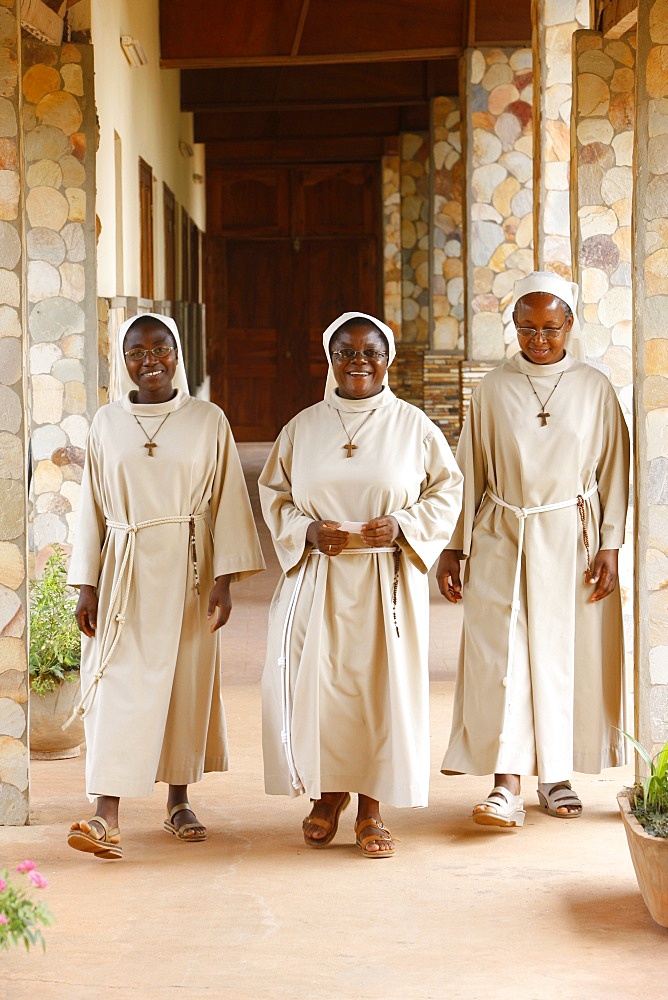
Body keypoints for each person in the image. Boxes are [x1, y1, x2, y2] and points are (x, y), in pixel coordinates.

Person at [259, 311, 463, 857]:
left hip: (385, 577)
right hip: (319, 577)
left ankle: (372, 808)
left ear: (388, 359)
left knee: (381, 689)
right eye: (346, 353)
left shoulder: (414, 425)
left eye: (370, 352)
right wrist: (305, 529)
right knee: (321, 688)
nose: (359, 363)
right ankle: (327, 797)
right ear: (330, 359)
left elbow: (447, 491)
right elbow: (273, 493)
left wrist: (404, 526)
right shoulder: (302, 428)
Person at [66, 313, 264, 859]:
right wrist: (86, 582)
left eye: (161, 348)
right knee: (116, 684)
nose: (149, 360)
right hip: (125, 569)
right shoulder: (106, 423)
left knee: (183, 684)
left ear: (179, 354)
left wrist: (225, 580)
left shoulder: (207, 420)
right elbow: (92, 506)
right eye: (136, 351)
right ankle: (105, 812)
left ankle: (178, 800)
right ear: (122, 359)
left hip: (189, 570)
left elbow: (227, 499)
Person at [437, 271, 630, 827]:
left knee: (561, 655)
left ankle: (557, 775)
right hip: (503, 533)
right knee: (503, 657)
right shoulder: (493, 387)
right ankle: (505, 784)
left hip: (572, 539)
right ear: (513, 327)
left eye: (550, 327)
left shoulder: (594, 387)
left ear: (570, 323)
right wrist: (456, 547)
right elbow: (469, 470)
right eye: (526, 328)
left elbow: (615, 471)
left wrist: (611, 544)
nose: (538, 339)